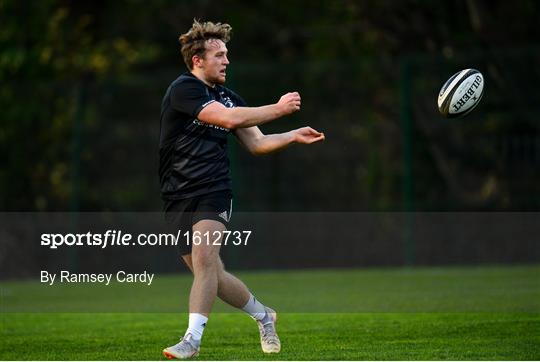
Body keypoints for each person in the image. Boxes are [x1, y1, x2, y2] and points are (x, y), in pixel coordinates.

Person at [159, 19, 325, 359]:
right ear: (197, 61)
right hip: (177, 196)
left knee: (206, 262)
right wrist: (279, 109)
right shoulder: (184, 89)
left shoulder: (229, 97)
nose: (226, 60)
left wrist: (292, 135)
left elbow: (258, 143)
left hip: (213, 191)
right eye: (219, 54)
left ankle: (191, 341)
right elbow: (228, 119)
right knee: (213, 276)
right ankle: (265, 316)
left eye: (227, 54)